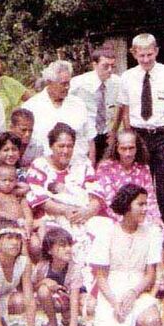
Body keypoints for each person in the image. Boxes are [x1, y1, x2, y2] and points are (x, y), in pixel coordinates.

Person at [26, 123, 104, 288]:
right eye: (61, 146)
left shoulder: (82, 163)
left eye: (69, 146)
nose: (65, 150)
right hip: (52, 215)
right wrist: (66, 210)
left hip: (83, 213)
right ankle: (68, 283)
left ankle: (92, 282)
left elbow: (96, 193)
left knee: (104, 229)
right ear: (51, 146)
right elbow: (40, 199)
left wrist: (88, 211)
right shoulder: (39, 165)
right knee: (64, 236)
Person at [118, 33, 164, 223]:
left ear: (156, 51)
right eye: (141, 56)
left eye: (149, 54)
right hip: (139, 136)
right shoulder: (128, 77)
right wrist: (129, 140)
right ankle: (138, 226)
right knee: (138, 187)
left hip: (163, 135)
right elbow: (125, 111)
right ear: (134, 54)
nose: (146, 59)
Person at [89, 183, 162, 326]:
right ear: (127, 205)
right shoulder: (107, 233)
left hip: (139, 288)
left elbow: (150, 274)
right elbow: (100, 276)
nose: (145, 209)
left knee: (153, 324)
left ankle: (136, 324)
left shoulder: (151, 233)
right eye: (140, 204)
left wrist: (134, 293)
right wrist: (115, 302)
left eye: (146, 204)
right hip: (112, 291)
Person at [22, 60, 96, 164]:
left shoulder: (78, 104)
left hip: (77, 166)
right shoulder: (31, 107)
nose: (67, 87)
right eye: (63, 84)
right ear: (49, 83)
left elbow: (90, 139)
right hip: (44, 169)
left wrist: (91, 167)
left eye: (68, 83)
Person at [96, 129, 161, 226]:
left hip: (141, 218)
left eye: (131, 148)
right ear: (116, 148)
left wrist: (156, 218)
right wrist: (129, 222)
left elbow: (150, 198)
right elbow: (109, 202)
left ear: (137, 148)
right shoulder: (105, 168)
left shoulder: (143, 168)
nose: (128, 153)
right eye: (123, 149)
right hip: (114, 220)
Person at [32, 227, 86, 326]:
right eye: (62, 246)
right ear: (49, 250)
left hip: (73, 297)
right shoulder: (42, 267)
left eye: (69, 245)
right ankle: (52, 323)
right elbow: (33, 288)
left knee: (88, 305)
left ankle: (68, 320)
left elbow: (74, 299)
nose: (68, 249)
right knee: (42, 290)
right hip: (56, 299)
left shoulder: (75, 268)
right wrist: (44, 282)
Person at [69, 47, 120, 164]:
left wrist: (114, 130)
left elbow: (123, 105)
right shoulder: (79, 83)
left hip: (105, 134)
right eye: (105, 66)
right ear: (94, 65)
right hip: (85, 135)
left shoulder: (117, 82)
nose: (110, 70)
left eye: (113, 66)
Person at [0, 164, 37, 255]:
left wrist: (28, 224)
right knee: (23, 244)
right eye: (4, 180)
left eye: (11, 180)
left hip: (23, 226)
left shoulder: (18, 196)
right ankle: (26, 264)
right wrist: (10, 216)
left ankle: (39, 263)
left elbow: (27, 212)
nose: (7, 183)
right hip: (6, 226)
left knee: (36, 243)